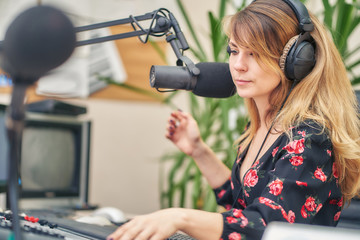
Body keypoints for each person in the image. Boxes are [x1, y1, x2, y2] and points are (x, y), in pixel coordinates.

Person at [107, 0, 360, 239]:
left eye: (255, 53)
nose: (238, 65)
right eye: (234, 50)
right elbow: (241, 202)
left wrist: (179, 217)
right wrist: (199, 151)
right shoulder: (263, 124)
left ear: (297, 61)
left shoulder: (309, 137)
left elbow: (265, 227)